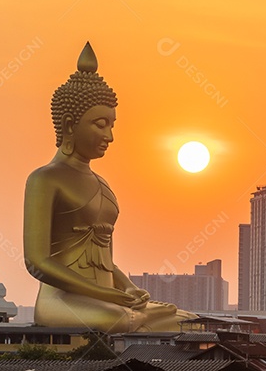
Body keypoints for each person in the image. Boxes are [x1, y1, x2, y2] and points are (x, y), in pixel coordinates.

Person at [23, 42, 195, 333]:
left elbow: (107, 262)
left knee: (190, 322)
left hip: (109, 300)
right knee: (120, 319)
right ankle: (132, 318)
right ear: (68, 125)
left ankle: (137, 316)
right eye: (100, 125)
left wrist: (128, 288)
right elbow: (38, 262)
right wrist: (105, 295)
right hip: (63, 300)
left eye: (112, 125)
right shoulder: (45, 179)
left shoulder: (102, 184)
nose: (110, 136)